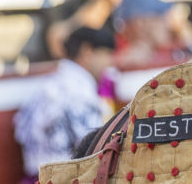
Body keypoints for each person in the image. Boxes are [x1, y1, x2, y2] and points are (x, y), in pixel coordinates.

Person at [14, 26, 116, 179]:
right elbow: (97, 151)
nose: (109, 64)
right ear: (87, 52)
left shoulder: (43, 87)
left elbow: (20, 133)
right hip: (66, 178)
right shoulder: (81, 95)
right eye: (105, 55)